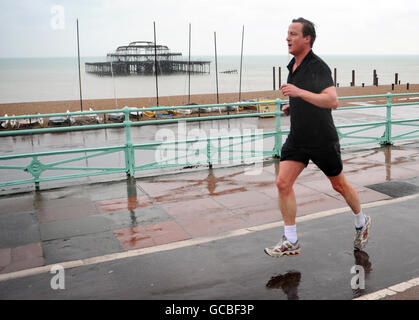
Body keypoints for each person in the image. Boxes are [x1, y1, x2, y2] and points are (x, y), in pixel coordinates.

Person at [265, 18, 371, 257]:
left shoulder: (317, 66)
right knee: (283, 183)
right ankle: (291, 239)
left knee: (339, 185)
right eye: (287, 33)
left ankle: (361, 221)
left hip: (322, 139)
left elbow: (332, 100)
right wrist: (293, 106)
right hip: (298, 138)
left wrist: (298, 92)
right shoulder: (293, 65)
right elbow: (309, 98)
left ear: (307, 39)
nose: (287, 38)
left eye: (293, 34)